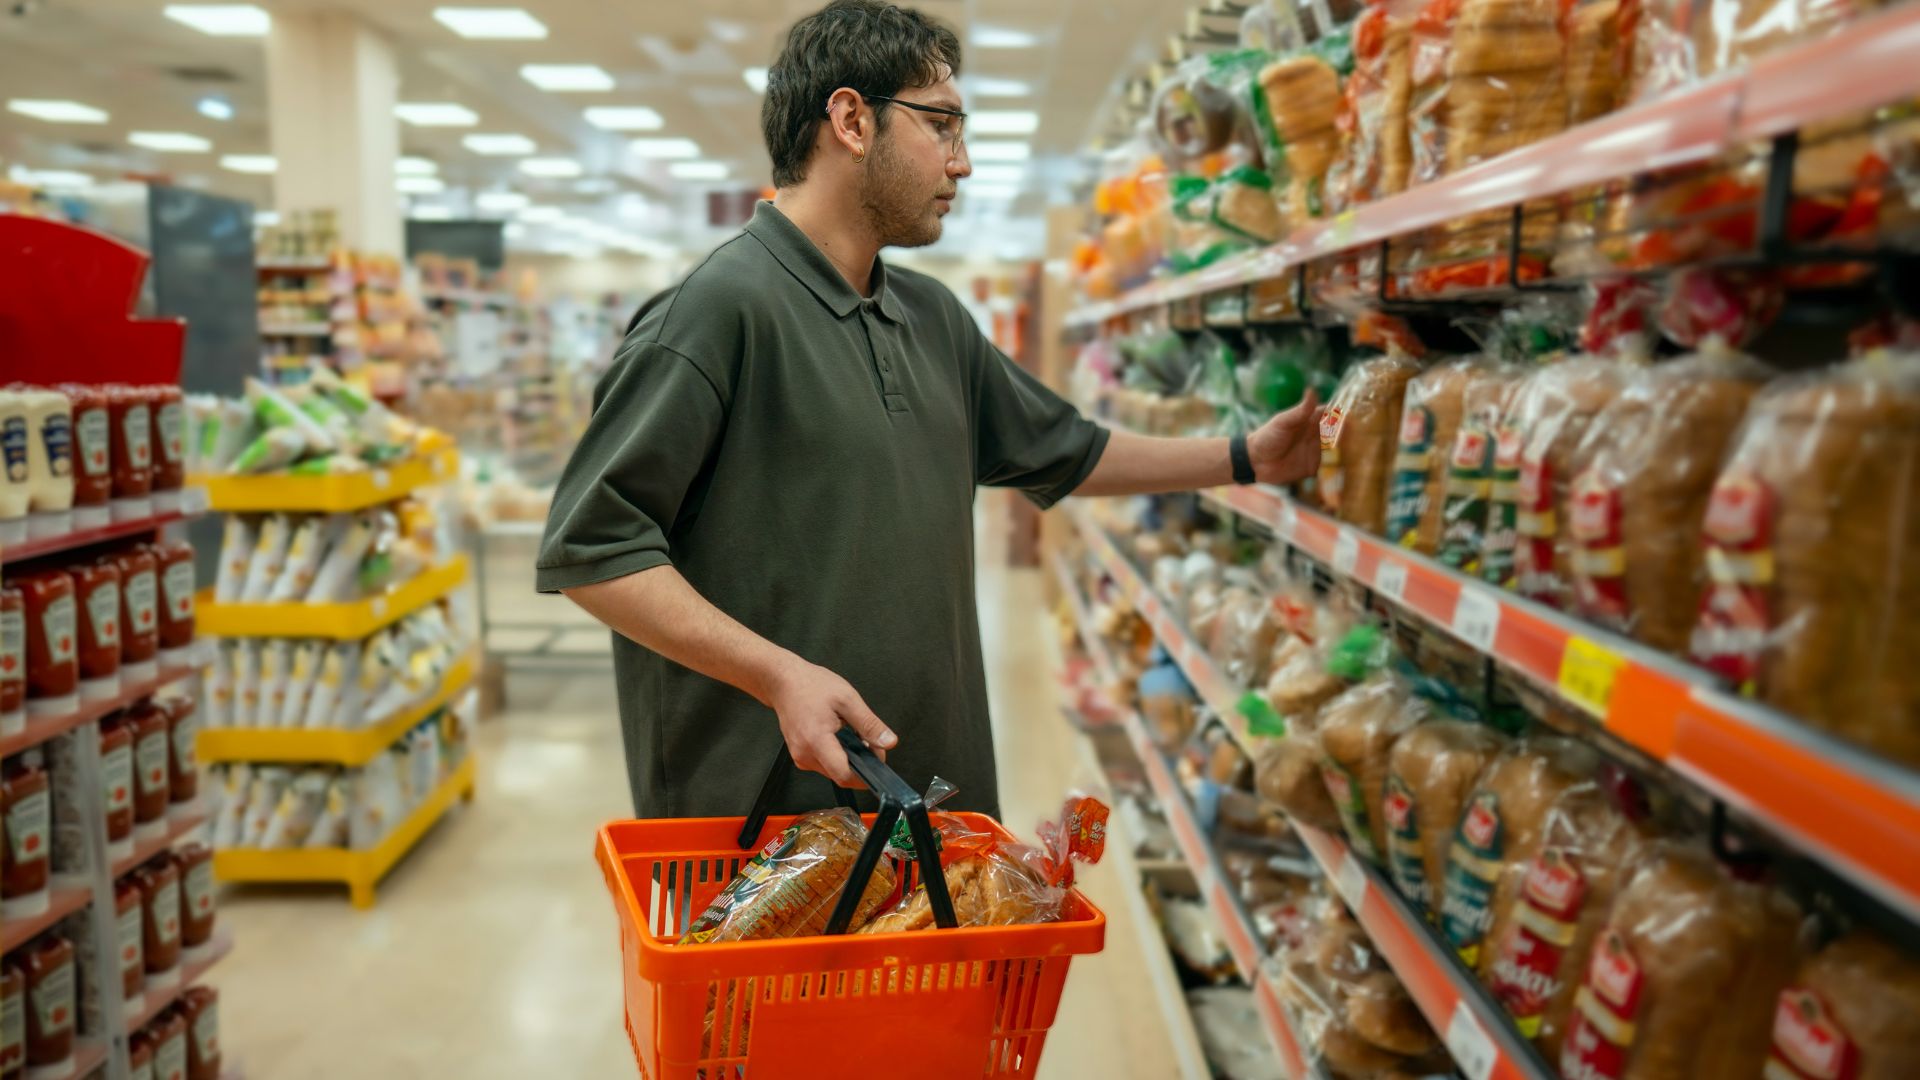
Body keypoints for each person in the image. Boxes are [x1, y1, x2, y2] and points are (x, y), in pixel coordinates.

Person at [535, 0, 1321, 820]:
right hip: (764, 826)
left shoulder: (932, 316)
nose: (964, 162)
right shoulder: (715, 313)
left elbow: (1066, 450)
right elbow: (596, 549)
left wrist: (1245, 458)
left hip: (930, 796)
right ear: (851, 121)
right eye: (942, 125)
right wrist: (777, 673)